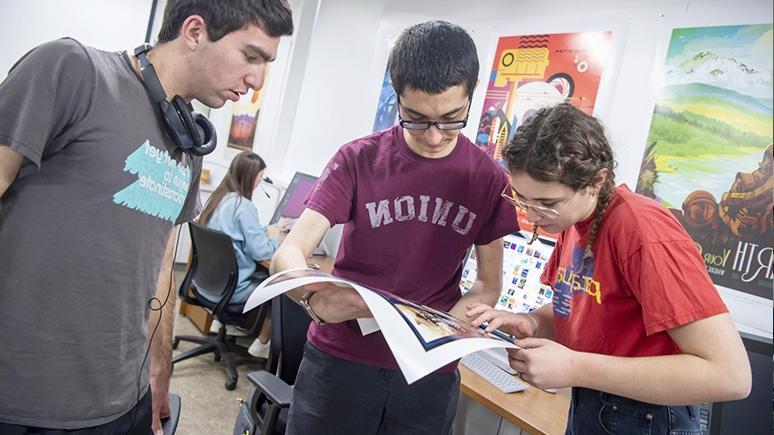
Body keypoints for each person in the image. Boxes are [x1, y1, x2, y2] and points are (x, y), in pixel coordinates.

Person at [0, 1, 293, 434]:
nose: (257, 80)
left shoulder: (188, 147)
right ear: (194, 31)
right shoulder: (72, 71)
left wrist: (160, 370)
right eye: (251, 56)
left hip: (125, 399)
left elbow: (160, 270)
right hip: (25, 401)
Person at [271, 20, 519, 435]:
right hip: (341, 361)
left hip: (428, 371)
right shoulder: (358, 160)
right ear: (396, 95)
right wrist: (313, 299)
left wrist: (436, 337)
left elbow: (487, 285)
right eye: (416, 118)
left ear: (472, 94)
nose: (436, 136)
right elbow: (288, 252)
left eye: (452, 118)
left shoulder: (488, 179)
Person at [468, 103, 752, 434]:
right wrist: (532, 321)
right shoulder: (572, 220)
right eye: (523, 200)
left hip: (648, 417)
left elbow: (730, 375)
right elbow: (582, 308)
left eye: (546, 204)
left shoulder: (641, 229)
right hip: (596, 404)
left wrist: (575, 367)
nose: (532, 218)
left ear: (595, 181)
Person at [197, 150, 289, 358]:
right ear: (249, 177)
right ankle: (263, 343)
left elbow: (239, 233)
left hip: (208, 285)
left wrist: (269, 229)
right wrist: (278, 239)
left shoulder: (219, 199)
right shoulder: (244, 207)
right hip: (231, 291)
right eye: (259, 177)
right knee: (280, 284)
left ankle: (223, 323)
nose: (259, 182)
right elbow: (261, 251)